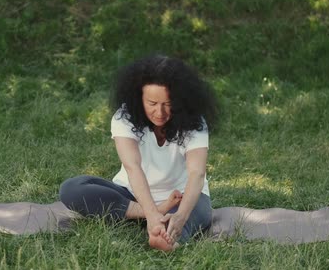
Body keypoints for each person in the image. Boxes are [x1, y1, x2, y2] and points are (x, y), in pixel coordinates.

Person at [59, 55, 218, 251]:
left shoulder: (195, 122)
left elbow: (197, 173)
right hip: (131, 195)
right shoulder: (124, 118)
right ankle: (149, 215)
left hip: (184, 197)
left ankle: (167, 235)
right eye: (152, 103)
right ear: (138, 97)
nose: (159, 112)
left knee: (189, 216)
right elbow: (132, 167)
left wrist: (181, 215)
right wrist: (152, 213)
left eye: (168, 104)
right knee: (72, 188)